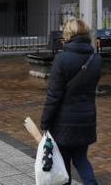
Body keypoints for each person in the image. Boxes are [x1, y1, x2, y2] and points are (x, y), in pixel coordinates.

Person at [41, 19, 102, 185]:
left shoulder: (61, 59)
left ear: (68, 34)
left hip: (63, 123)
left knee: (64, 163)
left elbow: (53, 96)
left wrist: (45, 122)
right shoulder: (95, 59)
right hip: (87, 120)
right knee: (82, 159)